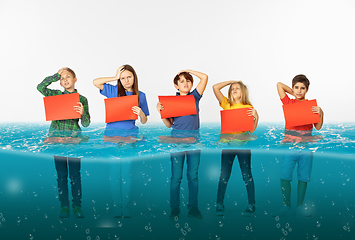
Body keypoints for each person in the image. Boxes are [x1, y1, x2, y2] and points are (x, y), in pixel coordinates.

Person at [93, 64, 149, 218]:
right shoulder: (113, 91)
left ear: (134, 77)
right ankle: (117, 207)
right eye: (123, 78)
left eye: (129, 77)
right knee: (114, 173)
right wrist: (114, 77)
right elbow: (96, 82)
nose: (126, 80)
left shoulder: (141, 96)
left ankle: (125, 205)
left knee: (126, 172)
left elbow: (144, 121)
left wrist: (141, 113)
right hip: (111, 136)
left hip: (130, 136)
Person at [37, 67, 91, 218]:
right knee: (61, 176)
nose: (65, 79)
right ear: (60, 83)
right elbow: (40, 87)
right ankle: (64, 206)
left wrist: (82, 113)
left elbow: (86, 124)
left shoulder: (82, 99)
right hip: (57, 140)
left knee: (75, 175)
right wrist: (55, 75)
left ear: (75, 79)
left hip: (74, 141)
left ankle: (77, 206)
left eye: (68, 76)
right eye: (62, 78)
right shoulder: (55, 96)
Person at [156, 69, 208, 219]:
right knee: (176, 177)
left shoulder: (195, 97)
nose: (186, 83)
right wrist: (161, 113)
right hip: (177, 142)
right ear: (176, 85)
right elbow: (169, 124)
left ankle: (193, 208)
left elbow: (205, 77)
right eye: (182, 81)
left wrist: (188, 71)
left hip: (194, 141)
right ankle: (175, 209)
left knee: (193, 176)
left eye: (188, 80)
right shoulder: (171, 102)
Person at [272, 74, 324, 217]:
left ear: (307, 90)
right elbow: (279, 85)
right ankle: (286, 206)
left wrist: (321, 112)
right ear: (293, 88)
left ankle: (299, 206)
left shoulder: (311, 106)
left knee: (303, 177)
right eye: (296, 88)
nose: (299, 90)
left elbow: (318, 127)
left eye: (302, 88)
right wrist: (293, 93)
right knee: (284, 176)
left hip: (306, 147)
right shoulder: (289, 103)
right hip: (290, 146)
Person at [212, 80, 259, 216]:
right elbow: (215, 87)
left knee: (247, 176)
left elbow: (251, 130)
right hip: (228, 146)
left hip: (243, 146)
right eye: (232, 88)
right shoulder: (227, 104)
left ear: (243, 91)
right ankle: (219, 204)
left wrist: (256, 117)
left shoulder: (248, 107)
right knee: (224, 176)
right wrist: (230, 82)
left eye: (237, 88)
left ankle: (251, 204)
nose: (234, 90)